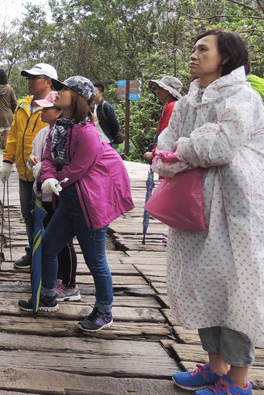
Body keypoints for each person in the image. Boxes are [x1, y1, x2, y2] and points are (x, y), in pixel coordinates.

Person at [154, 30, 264, 395]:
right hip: (194, 210)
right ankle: (216, 368)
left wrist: (179, 152)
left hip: (234, 212)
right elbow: (164, 147)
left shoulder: (243, 98)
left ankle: (239, 381)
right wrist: (176, 153)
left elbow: (219, 146)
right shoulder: (188, 102)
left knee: (236, 290)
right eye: (192, 49)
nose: (193, 55)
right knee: (203, 285)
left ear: (227, 57)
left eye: (203, 49)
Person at [18, 76, 134, 333]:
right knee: (47, 247)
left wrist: (53, 179)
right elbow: (48, 157)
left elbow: (78, 169)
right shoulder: (60, 127)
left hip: (89, 206)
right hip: (68, 203)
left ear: (78, 98)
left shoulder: (88, 133)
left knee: (95, 260)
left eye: (64, 89)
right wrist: (46, 176)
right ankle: (47, 296)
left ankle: (104, 311)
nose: (57, 92)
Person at [0, 63, 57, 268]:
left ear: (48, 82)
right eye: (28, 78)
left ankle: (48, 257)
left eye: (35, 78)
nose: (30, 82)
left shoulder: (55, 107)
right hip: (25, 174)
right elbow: (14, 136)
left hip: (47, 176)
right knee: (28, 215)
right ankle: (33, 252)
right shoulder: (23, 106)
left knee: (47, 218)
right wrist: (7, 161)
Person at [26, 91, 80, 303]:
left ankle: (69, 283)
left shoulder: (66, 132)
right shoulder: (42, 133)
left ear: (58, 112)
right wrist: (34, 164)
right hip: (43, 195)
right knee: (51, 239)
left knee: (64, 242)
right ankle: (56, 279)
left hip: (59, 194)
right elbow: (40, 158)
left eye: (46, 108)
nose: (42, 112)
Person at [142, 76, 183, 162]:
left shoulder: (172, 106)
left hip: (167, 155)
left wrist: (154, 153)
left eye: (161, 88)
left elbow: (167, 134)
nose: (158, 90)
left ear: (168, 91)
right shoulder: (170, 105)